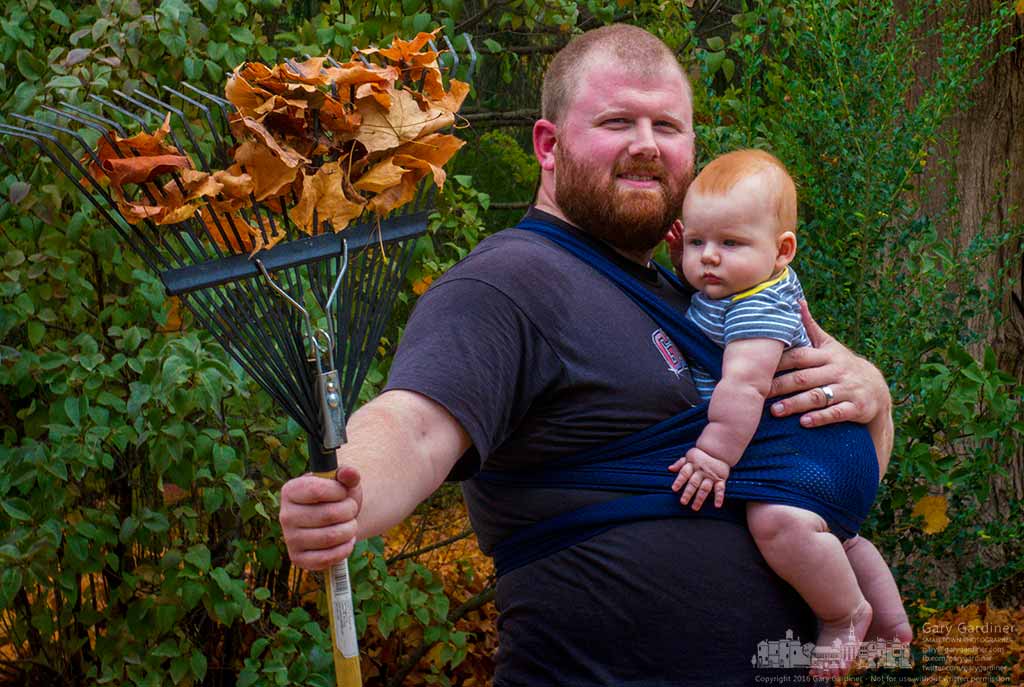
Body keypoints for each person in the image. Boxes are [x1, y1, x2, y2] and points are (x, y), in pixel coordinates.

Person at [279, 24, 898, 685]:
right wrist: (350, 487)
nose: (646, 145)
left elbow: (807, 475)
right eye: (617, 121)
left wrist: (875, 400)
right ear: (549, 145)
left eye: (667, 125)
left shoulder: (702, 295)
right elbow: (418, 422)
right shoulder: (511, 283)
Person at [663, 149, 912, 675]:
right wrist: (683, 264)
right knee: (838, 537)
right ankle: (890, 622)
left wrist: (713, 455)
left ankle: (845, 614)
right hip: (821, 448)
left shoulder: (758, 306)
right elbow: (706, 305)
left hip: (812, 447)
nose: (709, 257)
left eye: (730, 243)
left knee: (777, 523)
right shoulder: (736, 285)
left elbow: (744, 387)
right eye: (697, 242)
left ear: (782, 252)